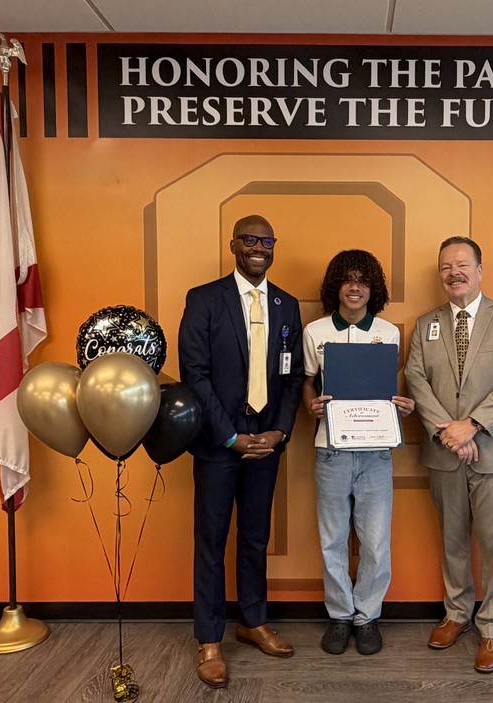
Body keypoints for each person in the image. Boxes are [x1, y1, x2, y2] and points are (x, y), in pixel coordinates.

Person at [178, 214, 304, 688]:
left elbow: (293, 377)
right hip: (219, 442)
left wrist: (279, 432)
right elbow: (195, 373)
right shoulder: (204, 299)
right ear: (233, 245)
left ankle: (253, 621)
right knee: (211, 541)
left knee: (255, 537)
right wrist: (229, 436)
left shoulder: (287, 304)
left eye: (267, 241)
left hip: (265, 441)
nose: (259, 247)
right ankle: (209, 638)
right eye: (250, 239)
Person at [404, 236, 493, 674]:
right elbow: (416, 379)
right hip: (445, 451)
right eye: (445, 267)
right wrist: (450, 433)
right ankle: (456, 614)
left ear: (479, 270)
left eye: (462, 264)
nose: (453, 273)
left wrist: (472, 425)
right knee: (453, 539)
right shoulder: (426, 324)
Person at [302, 250, 414, 656]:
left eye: (363, 280)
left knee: (376, 542)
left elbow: (388, 390)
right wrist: (310, 404)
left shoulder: (388, 333)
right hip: (330, 450)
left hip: (376, 452)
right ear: (336, 286)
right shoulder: (315, 331)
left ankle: (367, 616)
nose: (355, 287)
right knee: (332, 539)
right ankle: (340, 616)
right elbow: (307, 382)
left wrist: (403, 406)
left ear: (373, 288)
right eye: (347, 279)